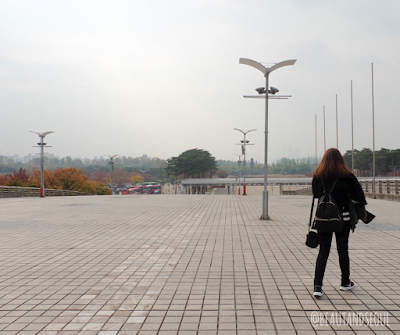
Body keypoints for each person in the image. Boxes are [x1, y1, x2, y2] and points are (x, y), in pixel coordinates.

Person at [311, 148, 367, 297]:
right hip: (344, 218)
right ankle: (345, 282)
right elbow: (360, 198)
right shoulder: (347, 176)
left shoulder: (318, 176)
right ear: (340, 160)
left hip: (323, 218)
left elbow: (316, 194)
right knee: (343, 250)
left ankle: (317, 286)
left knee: (323, 251)